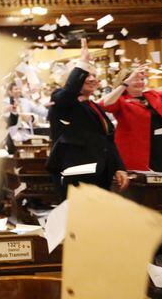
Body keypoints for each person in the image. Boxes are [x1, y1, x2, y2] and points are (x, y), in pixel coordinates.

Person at [47, 39, 129, 197]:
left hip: (100, 175)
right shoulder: (60, 99)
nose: (92, 79)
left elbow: (108, 140)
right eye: (87, 75)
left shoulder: (94, 105)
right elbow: (68, 93)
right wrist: (83, 63)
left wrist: (119, 167)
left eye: (94, 75)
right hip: (75, 175)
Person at [100, 66, 162, 172]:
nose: (140, 82)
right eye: (135, 79)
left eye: (142, 79)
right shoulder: (120, 100)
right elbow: (104, 104)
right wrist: (124, 84)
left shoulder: (152, 95)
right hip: (137, 150)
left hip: (160, 146)